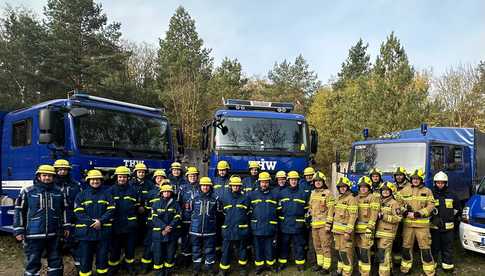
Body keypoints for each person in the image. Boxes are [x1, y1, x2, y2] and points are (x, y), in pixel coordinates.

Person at [14, 164, 69, 276]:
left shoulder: (59, 191)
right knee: (33, 262)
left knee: (55, 261)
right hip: (33, 234)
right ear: (38, 176)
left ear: (53, 177)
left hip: (54, 234)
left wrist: (66, 226)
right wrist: (19, 229)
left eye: (50, 176)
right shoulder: (28, 191)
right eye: (44, 175)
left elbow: (65, 210)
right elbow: (19, 210)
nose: (47, 178)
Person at [73, 169, 115, 276]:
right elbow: (78, 212)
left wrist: (101, 221)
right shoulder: (81, 195)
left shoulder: (107, 195)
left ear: (101, 181)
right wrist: (93, 223)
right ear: (88, 181)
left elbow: (111, 210)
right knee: (86, 259)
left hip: (103, 233)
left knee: (102, 258)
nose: (95, 182)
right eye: (92, 180)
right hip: (86, 233)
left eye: (97, 180)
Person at [399, 169, 436, 276]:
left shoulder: (427, 191)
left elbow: (431, 206)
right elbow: (398, 203)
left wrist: (418, 214)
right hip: (408, 225)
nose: (415, 181)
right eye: (413, 179)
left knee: (425, 248)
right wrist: (405, 212)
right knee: (406, 247)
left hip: (422, 226)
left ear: (421, 180)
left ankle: (429, 271)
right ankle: (405, 268)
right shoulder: (404, 190)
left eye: (417, 179)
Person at [107, 166, 139, 275]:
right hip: (115, 225)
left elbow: (137, 206)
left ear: (128, 178)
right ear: (116, 177)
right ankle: (113, 267)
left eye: (124, 177)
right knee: (115, 248)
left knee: (130, 248)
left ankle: (129, 265)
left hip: (130, 225)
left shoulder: (133, 190)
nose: (122, 179)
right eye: (120, 177)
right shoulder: (110, 191)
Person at [277, 171, 309, 272]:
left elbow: (306, 209)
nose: (293, 181)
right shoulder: (282, 193)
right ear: (288, 181)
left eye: (295, 180)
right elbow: (278, 209)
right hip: (285, 223)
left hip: (298, 224)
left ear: (298, 181)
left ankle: (300, 264)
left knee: (298, 245)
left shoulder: (303, 193)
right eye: (292, 180)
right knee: (284, 244)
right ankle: (282, 262)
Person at [218, 176, 251, 276]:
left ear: (240, 187)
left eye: (237, 186)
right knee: (226, 251)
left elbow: (248, 213)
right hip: (228, 229)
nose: (236, 187)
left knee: (242, 250)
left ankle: (242, 269)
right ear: (230, 186)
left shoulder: (245, 198)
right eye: (234, 185)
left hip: (241, 229)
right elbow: (221, 213)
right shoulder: (224, 197)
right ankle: (223, 269)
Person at [53, 159, 82, 271]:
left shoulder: (76, 185)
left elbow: (80, 202)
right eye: (59, 170)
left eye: (65, 169)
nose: (62, 172)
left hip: (72, 220)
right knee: (55, 250)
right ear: (55, 170)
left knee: (75, 247)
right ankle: (57, 271)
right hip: (55, 221)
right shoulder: (51, 185)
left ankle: (81, 270)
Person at [248, 172, 279, 274]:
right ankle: (259, 266)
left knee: (270, 247)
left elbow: (279, 210)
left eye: (266, 182)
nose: (264, 184)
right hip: (257, 227)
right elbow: (248, 210)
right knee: (258, 248)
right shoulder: (252, 195)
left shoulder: (274, 194)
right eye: (262, 182)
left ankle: (271, 265)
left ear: (269, 182)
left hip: (270, 226)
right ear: (259, 182)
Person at [189, 177, 221, 275]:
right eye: (203, 185)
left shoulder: (215, 198)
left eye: (207, 185)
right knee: (195, 249)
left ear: (210, 187)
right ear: (200, 186)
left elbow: (219, 213)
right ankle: (196, 268)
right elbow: (190, 210)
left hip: (210, 230)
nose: (205, 187)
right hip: (195, 229)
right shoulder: (194, 197)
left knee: (209, 249)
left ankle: (209, 268)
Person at [430, 171, 461, 273]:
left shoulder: (452, 194)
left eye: (442, 183)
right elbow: (426, 208)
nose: (440, 185)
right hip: (434, 227)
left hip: (448, 228)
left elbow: (457, 208)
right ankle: (432, 265)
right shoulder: (430, 194)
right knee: (434, 248)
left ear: (446, 183)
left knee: (448, 247)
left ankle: (447, 266)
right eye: (438, 183)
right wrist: (433, 218)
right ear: (435, 183)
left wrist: (450, 217)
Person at [329, 176, 357, 276]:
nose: (342, 188)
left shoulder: (351, 199)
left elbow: (353, 216)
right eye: (340, 187)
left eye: (344, 187)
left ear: (348, 187)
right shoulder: (338, 199)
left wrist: (348, 231)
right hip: (336, 232)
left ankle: (347, 273)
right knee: (339, 252)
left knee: (346, 253)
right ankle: (339, 270)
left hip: (345, 232)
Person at [151, 184, 182, 276]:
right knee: (158, 253)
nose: (166, 193)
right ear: (161, 193)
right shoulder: (156, 203)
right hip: (159, 233)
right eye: (164, 191)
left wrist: (169, 227)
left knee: (170, 253)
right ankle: (159, 272)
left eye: (168, 191)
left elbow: (178, 216)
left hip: (171, 233)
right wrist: (164, 227)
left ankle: (168, 271)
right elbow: (154, 218)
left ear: (171, 193)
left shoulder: (175, 204)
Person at [308, 171, 334, 273]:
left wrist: (328, 224)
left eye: (320, 181)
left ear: (323, 182)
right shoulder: (313, 193)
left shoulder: (328, 193)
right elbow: (311, 207)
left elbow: (331, 210)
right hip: (314, 225)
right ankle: (320, 264)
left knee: (325, 246)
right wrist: (308, 214)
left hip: (324, 226)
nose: (318, 183)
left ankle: (326, 267)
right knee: (317, 246)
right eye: (316, 181)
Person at [375, 182, 402, 276]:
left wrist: (384, 216)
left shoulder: (394, 203)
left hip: (388, 233)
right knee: (386, 254)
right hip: (379, 233)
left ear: (391, 191)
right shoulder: (379, 202)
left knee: (383, 255)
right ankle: (389, 271)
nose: (385, 192)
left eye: (387, 190)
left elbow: (398, 218)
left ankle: (383, 274)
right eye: (383, 190)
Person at [355, 176, 380, 276]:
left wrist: (370, 228)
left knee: (365, 252)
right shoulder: (355, 198)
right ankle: (361, 271)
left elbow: (374, 214)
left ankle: (365, 273)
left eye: (365, 186)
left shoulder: (373, 198)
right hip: (356, 231)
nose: (363, 188)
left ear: (369, 187)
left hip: (366, 231)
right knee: (358, 252)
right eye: (361, 187)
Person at [177, 166, 200, 265]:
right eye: (190, 175)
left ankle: (194, 258)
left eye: (194, 175)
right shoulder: (182, 188)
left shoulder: (201, 187)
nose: (193, 177)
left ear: (197, 176)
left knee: (194, 238)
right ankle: (184, 256)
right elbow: (178, 203)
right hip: (185, 217)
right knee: (185, 237)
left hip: (197, 218)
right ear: (187, 176)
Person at [391, 166, 409, 266]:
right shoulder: (392, 186)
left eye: (400, 175)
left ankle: (405, 259)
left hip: (406, 216)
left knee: (406, 238)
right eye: (397, 175)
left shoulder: (409, 187)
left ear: (404, 176)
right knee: (396, 237)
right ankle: (396, 259)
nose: (398, 177)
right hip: (395, 217)